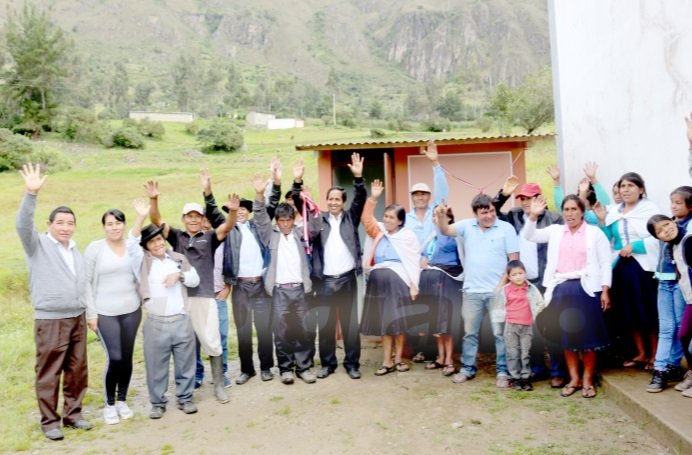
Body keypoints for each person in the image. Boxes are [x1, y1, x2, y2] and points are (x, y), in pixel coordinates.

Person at [16, 163, 92, 440]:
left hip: (77, 317)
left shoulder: (75, 250)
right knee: (49, 372)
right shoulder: (37, 245)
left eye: (70, 223)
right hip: (50, 320)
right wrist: (31, 194)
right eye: (60, 222)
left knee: (77, 370)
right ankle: (50, 422)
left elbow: (83, 284)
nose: (66, 227)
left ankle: (73, 414)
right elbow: (22, 224)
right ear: (49, 225)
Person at [145, 180, 238, 404]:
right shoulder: (177, 237)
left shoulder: (209, 237)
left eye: (197, 216)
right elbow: (156, 220)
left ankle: (218, 385)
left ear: (202, 219)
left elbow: (227, 227)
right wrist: (154, 199)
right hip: (179, 299)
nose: (193, 219)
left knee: (212, 341)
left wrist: (233, 212)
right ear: (184, 219)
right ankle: (187, 391)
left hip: (204, 296)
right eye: (189, 216)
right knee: (185, 346)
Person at [524, 194, 612, 398]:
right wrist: (533, 216)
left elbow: (605, 262)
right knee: (566, 337)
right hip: (560, 289)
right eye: (566, 209)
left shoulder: (594, 233)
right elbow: (529, 236)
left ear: (582, 212)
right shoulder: (555, 231)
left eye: (574, 209)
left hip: (587, 288)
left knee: (588, 338)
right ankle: (574, 379)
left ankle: (588, 380)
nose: (570, 213)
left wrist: (605, 289)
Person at [204, 163, 281, 385]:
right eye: (238, 210)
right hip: (240, 288)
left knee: (265, 329)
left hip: (260, 286)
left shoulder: (259, 227)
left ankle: (266, 367)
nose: (242, 213)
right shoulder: (229, 231)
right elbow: (213, 213)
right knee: (244, 331)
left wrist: (273, 184)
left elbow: (272, 205)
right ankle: (247, 370)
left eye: (246, 209)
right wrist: (208, 191)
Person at [292, 153, 366, 380]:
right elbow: (298, 202)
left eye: (338, 199)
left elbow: (360, 197)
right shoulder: (317, 219)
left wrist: (358, 178)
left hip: (346, 279)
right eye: (330, 199)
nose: (333, 202)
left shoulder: (351, 218)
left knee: (349, 325)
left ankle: (352, 364)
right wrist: (297, 182)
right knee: (325, 326)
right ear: (326, 201)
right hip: (323, 281)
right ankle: (328, 364)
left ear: (343, 202)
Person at [126, 199, 200, 419]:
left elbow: (194, 279)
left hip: (180, 319)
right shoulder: (142, 261)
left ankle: (185, 398)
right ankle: (157, 402)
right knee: (155, 365)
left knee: (185, 363)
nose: (157, 244)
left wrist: (180, 275)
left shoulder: (177, 258)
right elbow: (131, 243)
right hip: (156, 322)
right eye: (151, 242)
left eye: (159, 239)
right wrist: (141, 217)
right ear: (146, 246)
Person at [435, 194, 519, 387]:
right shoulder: (467, 226)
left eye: (491, 211)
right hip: (472, 291)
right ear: (476, 214)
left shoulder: (506, 229)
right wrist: (441, 216)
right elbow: (445, 229)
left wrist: (502, 285)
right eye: (484, 212)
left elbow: (513, 261)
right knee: (470, 333)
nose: (489, 215)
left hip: (498, 292)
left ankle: (503, 372)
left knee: (500, 333)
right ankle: (467, 369)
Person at [492, 175, 565, 388]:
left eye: (530, 197)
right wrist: (503, 194)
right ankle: (536, 369)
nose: (525, 202)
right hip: (521, 284)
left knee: (550, 327)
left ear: (540, 198)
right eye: (522, 198)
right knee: (528, 329)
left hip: (545, 281)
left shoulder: (554, 219)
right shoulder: (514, 217)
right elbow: (492, 212)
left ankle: (557, 371)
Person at [253, 173, 317, 385]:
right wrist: (259, 194)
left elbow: (314, 222)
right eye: (282, 220)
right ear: (277, 221)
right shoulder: (270, 235)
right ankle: (285, 369)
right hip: (279, 291)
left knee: (304, 330)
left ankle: (304, 367)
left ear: (294, 218)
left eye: (289, 220)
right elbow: (260, 217)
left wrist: (302, 191)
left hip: (300, 290)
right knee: (281, 332)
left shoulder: (301, 234)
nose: (286, 224)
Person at [594, 172, 660, 370]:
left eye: (631, 186)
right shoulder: (614, 211)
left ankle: (656, 355)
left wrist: (635, 245)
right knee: (628, 311)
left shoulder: (649, 209)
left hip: (642, 267)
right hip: (622, 267)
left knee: (646, 310)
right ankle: (640, 353)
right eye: (623, 186)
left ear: (641, 189)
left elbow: (659, 234)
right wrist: (602, 221)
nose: (626, 190)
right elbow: (608, 240)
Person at [84, 209, 141, 425]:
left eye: (118, 223)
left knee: (126, 358)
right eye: (109, 224)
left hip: (131, 310)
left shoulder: (131, 247)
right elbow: (86, 282)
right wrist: (91, 313)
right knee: (115, 357)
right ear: (103, 227)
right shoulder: (95, 249)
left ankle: (122, 401)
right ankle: (109, 404)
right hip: (105, 312)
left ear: (124, 225)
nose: (114, 227)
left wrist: (141, 216)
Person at [361, 179, 421, 375]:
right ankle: (386, 361)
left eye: (391, 218)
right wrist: (374, 198)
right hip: (378, 283)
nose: (387, 220)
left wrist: (414, 285)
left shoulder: (408, 237)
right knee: (384, 324)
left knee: (398, 323)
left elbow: (413, 263)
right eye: (385, 216)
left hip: (398, 282)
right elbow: (366, 219)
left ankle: (398, 360)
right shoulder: (378, 231)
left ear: (400, 221)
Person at [406, 140, 450, 363]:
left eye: (424, 194)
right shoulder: (406, 218)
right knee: (416, 309)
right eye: (417, 194)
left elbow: (443, 190)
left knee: (434, 309)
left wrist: (435, 164)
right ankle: (418, 349)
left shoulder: (437, 210)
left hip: (435, 269)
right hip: (414, 270)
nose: (421, 197)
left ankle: (434, 352)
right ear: (412, 197)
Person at [647, 187, 692, 393]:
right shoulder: (670, 223)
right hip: (664, 282)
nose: (674, 206)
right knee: (667, 327)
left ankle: (674, 365)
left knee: (679, 327)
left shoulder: (686, 230)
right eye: (672, 202)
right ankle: (661, 369)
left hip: (681, 284)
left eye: (678, 202)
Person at [418, 205, 463, 377]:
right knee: (436, 321)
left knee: (447, 321)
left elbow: (445, 246)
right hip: (432, 282)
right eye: (434, 216)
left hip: (448, 282)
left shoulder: (451, 236)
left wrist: (441, 225)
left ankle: (450, 359)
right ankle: (441, 357)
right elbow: (424, 253)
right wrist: (423, 258)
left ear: (448, 219)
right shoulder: (432, 236)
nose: (435, 219)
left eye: (439, 216)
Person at [491, 260, 546, 391]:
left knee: (525, 353)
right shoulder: (505, 290)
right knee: (512, 353)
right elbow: (498, 306)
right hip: (510, 326)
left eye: (520, 273)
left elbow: (540, 303)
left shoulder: (531, 289)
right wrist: (499, 322)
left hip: (527, 326)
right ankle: (515, 378)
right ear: (509, 277)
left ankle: (525, 378)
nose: (518, 277)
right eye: (514, 275)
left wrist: (535, 316)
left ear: (525, 273)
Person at [546, 162, 611, 225]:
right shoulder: (571, 214)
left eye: (585, 191)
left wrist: (593, 179)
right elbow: (561, 206)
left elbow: (605, 204)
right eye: (579, 192)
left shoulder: (595, 216)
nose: (580, 199)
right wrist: (556, 180)